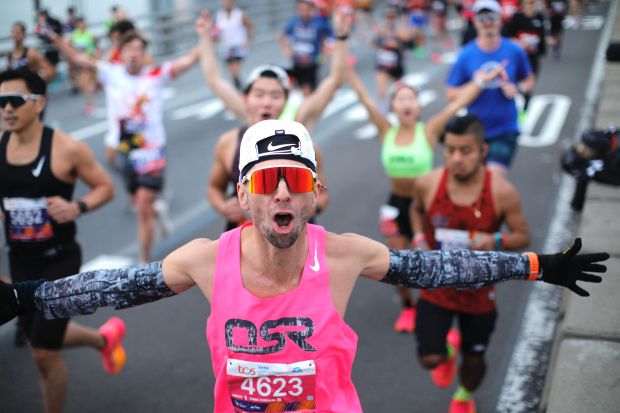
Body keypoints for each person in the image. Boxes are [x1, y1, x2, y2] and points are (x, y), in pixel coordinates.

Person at [0, 119, 609, 412]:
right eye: (268, 182)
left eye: (297, 181)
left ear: (317, 193)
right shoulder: (208, 261)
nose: (283, 195)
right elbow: (120, 285)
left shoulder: (343, 254)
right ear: (245, 196)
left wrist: (537, 264)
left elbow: (439, 269)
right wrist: (27, 298)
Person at [346, 59, 509, 333]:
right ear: (394, 107)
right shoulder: (387, 131)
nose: (406, 102)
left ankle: (446, 309)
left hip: (426, 206)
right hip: (396, 205)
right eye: (400, 99)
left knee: (437, 260)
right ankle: (408, 307)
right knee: (394, 262)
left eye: (411, 98)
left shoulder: (430, 131)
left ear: (418, 107)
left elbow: (456, 106)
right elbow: (364, 98)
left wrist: (481, 81)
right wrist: (346, 69)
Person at [0, 69, 122, 413]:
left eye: (14, 101)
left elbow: (106, 188)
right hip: (21, 259)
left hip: (60, 259)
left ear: (38, 104)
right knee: (38, 334)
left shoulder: (66, 148)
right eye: (0, 103)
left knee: (42, 351)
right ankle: (103, 339)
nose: (6, 109)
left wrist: (76, 206)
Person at [411, 114, 530, 413]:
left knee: (474, 361)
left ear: (483, 150)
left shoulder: (502, 192)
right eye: (450, 150)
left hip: (479, 292)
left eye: (465, 150)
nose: (456, 158)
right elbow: (415, 211)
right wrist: (418, 239)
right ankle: (447, 352)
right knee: (430, 358)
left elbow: (522, 236)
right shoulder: (428, 183)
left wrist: (496, 241)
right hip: (436, 286)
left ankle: (464, 395)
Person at [48, 31, 200, 264]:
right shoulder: (111, 73)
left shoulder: (156, 75)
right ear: (122, 52)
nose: (134, 53)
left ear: (144, 54)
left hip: (151, 153)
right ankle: (154, 211)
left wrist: (206, 37)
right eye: (129, 48)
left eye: (139, 49)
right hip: (125, 150)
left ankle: (143, 261)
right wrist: (58, 41)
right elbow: (78, 60)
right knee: (138, 199)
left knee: (142, 207)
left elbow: (189, 60)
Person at [196, 9, 352, 231]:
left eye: (275, 95)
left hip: (293, 239)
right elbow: (213, 188)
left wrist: (342, 37)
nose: (266, 103)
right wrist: (223, 207)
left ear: (286, 101)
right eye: (259, 95)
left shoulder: (299, 135)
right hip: (244, 240)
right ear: (246, 99)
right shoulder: (229, 142)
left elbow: (334, 80)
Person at [446, 0, 535, 174]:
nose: (487, 21)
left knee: (494, 180)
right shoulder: (466, 55)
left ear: (501, 19)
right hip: (474, 131)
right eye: (482, 17)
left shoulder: (515, 51)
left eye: (492, 16)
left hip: (505, 128)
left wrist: (517, 89)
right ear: (474, 21)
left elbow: (529, 79)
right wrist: (477, 83)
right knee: (475, 182)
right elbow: (450, 94)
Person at [279, 0, 334, 96]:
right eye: (301, 10)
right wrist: (287, 50)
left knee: (309, 88)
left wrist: (325, 53)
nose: (304, 12)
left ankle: (310, 105)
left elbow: (329, 38)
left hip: (312, 61)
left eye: (307, 10)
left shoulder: (319, 23)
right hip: (297, 61)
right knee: (297, 87)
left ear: (313, 10)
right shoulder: (293, 22)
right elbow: (281, 36)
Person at [503, 0, 546, 114]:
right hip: (517, 59)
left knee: (529, 87)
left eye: (533, 3)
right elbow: (506, 36)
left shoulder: (540, 17)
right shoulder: (517, 18)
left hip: (532, 59)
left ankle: (524, 111)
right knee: (515, 85)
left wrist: (542, 51)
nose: (531, 6)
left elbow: (541, 37)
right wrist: (519, 42)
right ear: (523, 5)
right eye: (528, 3)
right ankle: (514, 109)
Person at [372, 5, 413, 110]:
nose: (389, 19)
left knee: (399, 89)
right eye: (387, 16)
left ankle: (399, 108)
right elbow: (373, 42)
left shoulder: (399, 28)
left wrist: (395, 38)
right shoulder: (381, 28)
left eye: (391, 16)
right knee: (381, 90)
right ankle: (383, 111)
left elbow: (408, 40)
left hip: (396, 63)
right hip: (383, 62)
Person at [212, 0, 254, 90]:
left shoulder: (239, 14)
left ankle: (240, 88)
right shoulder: (219, 16)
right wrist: (215, 38)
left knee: (234, 69)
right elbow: (215, 31)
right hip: (226, 47)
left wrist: (247, 40)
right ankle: (241, 88)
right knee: (232, 71)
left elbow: (250, 26)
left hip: (238, 46)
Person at [68, 17, 98, 115]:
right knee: (83, 84)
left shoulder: (90, 34)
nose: (82, 25)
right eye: (80, 23)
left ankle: (89, 103)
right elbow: (71, 48)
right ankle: (89, 102)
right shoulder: (74, 35)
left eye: (83, 23)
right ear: (77, 24)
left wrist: (93, 57)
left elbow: (94, 48)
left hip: (88, 62)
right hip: (79, 62)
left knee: (88, 84)